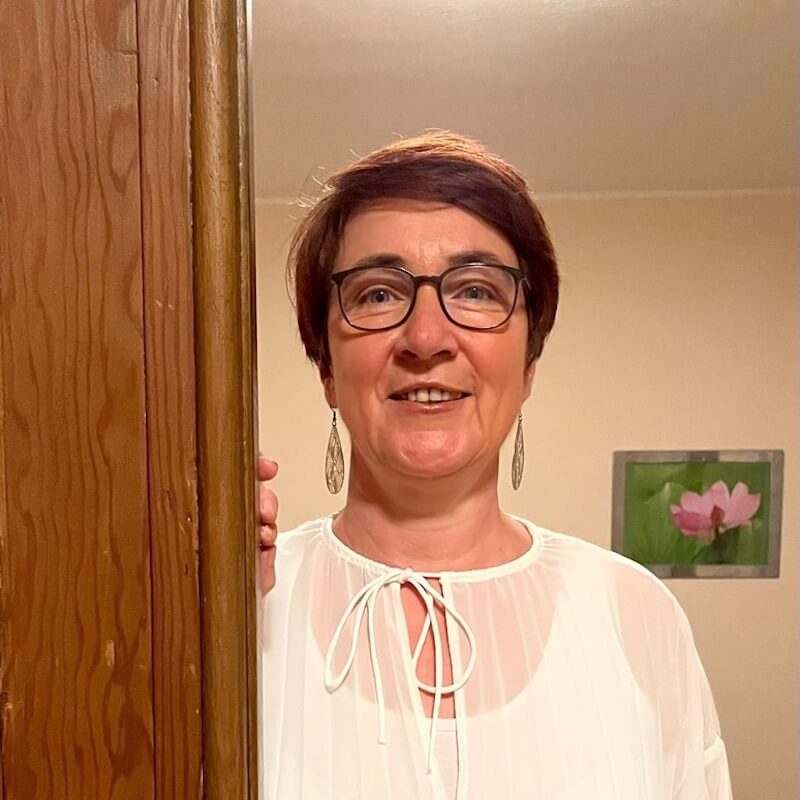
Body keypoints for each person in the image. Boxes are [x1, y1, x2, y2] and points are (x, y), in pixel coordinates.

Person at [256, 132, 732, 799]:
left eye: (476, 290)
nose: (426, 338)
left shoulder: (635, 614)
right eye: (378, 294)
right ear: (326, 367)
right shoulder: (246, 604)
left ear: (529, 361)